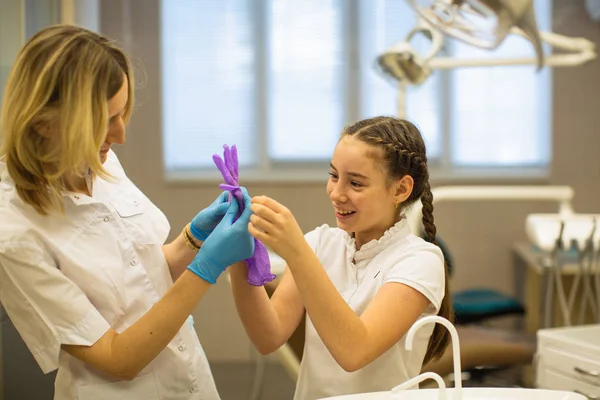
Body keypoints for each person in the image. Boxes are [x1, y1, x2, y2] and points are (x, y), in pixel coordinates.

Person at [0, 25, 254, 399]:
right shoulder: (14, 230)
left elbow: (140, 277)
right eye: (104, 122)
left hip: (190, 381)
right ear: (43, 122)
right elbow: (117, 357)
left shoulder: (97, 160)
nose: (119, 135)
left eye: (122, 114)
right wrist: (207, 268)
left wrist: (194, 240)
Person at [230, 116, 453, 400]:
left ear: (400, 189)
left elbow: (355, 351)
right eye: (334, 175)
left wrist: (296, 252)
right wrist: (238, 255)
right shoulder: (321, 243)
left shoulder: (421, 260)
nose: (336, 193)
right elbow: (267, 336)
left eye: (356, 184)